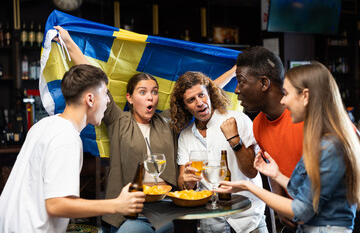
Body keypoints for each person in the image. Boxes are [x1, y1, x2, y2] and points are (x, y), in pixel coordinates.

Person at [55, 25, 177, 233]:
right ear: (129, 98)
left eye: (154, 92)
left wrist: (229, 72)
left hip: (164, 213)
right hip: (129, 215)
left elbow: (194, 97)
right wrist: (69, 43)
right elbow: (94, 83)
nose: (150, 97)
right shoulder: (119, 120)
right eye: (143, 92)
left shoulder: (166, 121)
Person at [0, 64, 146, 233]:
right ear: (90, 99)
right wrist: (117, 205)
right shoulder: (67, 138)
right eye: (105, 93)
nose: (108, 100)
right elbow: (56, 205)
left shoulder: (43, 125)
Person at [217, 62, 360, 232]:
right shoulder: (318, 138)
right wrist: (276, 174)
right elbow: (304, 190)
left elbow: (302, 210)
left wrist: (250, 187)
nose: (283, 101)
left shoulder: (329, 145)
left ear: (305, 96)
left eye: (286, 94)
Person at [218, 46, 303, 231]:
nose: (236, 90)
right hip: (295, 215)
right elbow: (271, 168)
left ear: (264, 83)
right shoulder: (257, 124)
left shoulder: (305, 114)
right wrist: (279, 205)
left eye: (241, 81)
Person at [170, 71, 267, 233]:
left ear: (210, 93)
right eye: (191, 100)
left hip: (248, 218)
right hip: (211, 223)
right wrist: (188, 182)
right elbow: (183, 183)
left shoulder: (238, 120)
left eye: (202, 95)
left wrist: (234, 140)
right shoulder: (185, 136)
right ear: (184, 106)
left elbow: (251, 171)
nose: (200, 103)